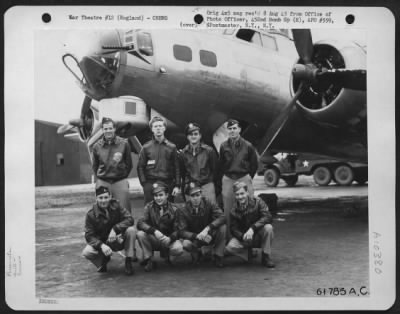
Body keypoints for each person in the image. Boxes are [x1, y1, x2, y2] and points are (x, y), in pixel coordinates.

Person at [82, 186, 137, 275]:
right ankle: (103, 261)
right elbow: (89, 235)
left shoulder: (117, 206)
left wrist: (115, 229)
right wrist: (101, 245)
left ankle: (128, 260)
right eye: (100, 198)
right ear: (96, 198)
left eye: (106, 197)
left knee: (131, 230)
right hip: (103, 243)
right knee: (87, 252)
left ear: (110, 197)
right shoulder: (91, 214)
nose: (103, 200)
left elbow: (130, 219)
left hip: (118, 240)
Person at [219, 119, 258, 237]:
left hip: (243, 177)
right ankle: (229, 239)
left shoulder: (248, 145)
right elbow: (221, 164)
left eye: (234, 128)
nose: (232, 131)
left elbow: (254, 164)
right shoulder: (223, 146)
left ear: (239, 129)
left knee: (249, 208)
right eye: (230, 129)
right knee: (228, 209)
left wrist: (247, 177)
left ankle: (250, 238)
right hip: (229, 178)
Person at [225, 182, 275, 268]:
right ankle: (248, 253)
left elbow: (268, 217)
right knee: (230, 247)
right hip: (245, 238)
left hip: (258, 234)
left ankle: (265, 256)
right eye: (237, 194)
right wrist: (242, 236)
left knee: (268, 228)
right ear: (234, 196)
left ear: (247, 192)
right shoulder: (233, 210)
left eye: (242, 193)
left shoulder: (258, 201)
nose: (240, 197)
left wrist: (253, 228)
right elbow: (233, 229)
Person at [136, 182, 184, 272]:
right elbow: (140, 223)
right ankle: (149, 259)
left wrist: (171, 238)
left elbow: (179, 229)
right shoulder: (149, 207)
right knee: (140, 234)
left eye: (161, 195)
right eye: (156, 196)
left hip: (168, 239)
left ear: (167, 195)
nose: (158, 198)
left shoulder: (175, 208)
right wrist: (154, 231)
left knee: (178, 249)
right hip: (154, 238)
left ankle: (168, 257)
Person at [177, 182, 226, 267]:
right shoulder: (182, 209)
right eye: (192, 196)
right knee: (185, 243)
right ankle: (197, 252)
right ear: (188, 197)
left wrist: (208, 229)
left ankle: (218, 255)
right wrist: (196, 236)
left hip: (209, 235)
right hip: (194, 238)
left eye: (198, 195)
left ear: (201, 194)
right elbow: (182, 231)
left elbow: (223, 217)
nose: (196, 198)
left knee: (223, 228)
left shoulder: (209, 203)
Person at [92, 117, 133, 214]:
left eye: (110, 128)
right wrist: (101, 178)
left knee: (125, 210)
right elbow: (95, 166)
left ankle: (125, 228)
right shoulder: (96, 146)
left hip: (119, 180)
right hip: (103, 180)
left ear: (114, 129)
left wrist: (121, 176)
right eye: (105, 129)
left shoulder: (124, 143)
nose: (108, 131)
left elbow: (129, 164)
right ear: (102, 130)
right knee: (101, 210)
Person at [137, 116, 181, 204]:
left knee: (168, 212)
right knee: (150, 212)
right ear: (152, 129)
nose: (158, 128)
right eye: (155, 126)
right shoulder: (146, 147)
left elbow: (177, 168)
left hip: (167, 183)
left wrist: (177, 185)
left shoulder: (172, 147)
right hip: (150, 183)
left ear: (164, 128)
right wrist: (145, 184)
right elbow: (140, 167)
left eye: (160, 126)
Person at [181, 122, 219, 203]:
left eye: (196, 134)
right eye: (191, 134)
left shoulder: (209, 151)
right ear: (187, 137)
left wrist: (210, 183)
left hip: (207, 185)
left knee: (211, 210)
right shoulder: (184, 153)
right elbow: (183, 172)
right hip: (192, 186)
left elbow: (215, 170)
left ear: (200, 136)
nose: (193, 136)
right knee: (193, 212)